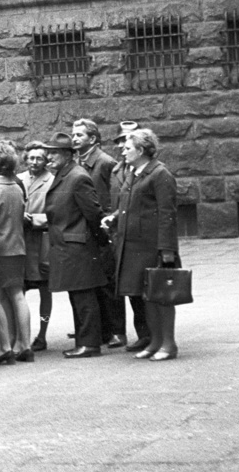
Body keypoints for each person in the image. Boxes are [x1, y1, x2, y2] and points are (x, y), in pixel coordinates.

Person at [109, 128, 181, 361]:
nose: (123, 151)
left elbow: (167, 214)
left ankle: (168, 344)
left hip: (153, 247)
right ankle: (155, 341)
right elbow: (131, 206)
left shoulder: (160, 174)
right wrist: (115, 218)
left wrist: (167, 250)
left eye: (127, 148)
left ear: (141, 150)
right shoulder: (134, 173)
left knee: (161, 295)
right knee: (145, 295)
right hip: (134, 247)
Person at [43, 131, 106, 358]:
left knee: (84, 298)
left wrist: (99, 241)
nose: (48, 158)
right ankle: (84, 341)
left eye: (53, 154)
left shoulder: (77, 177)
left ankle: (89, 343)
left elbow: (94, 213)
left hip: (78, 247)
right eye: (47, 153)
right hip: (69, 246)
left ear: (67, 155)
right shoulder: (65, 174)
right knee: (78, 297)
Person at [73, 117, 126, 349]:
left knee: (109, 281)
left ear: (93, 139)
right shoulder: (79, 162)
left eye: (79, 135)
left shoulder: (105, 162)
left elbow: (115, 194)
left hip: (104, 227)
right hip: (88, 228)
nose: (75, 138)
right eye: (74, 135)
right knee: (95, 280)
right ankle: (103, 329)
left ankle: (118, 331)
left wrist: (109, 221)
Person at [0, 141, 33, 362]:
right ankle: (24, 344)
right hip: (17, 246)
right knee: (18, 295)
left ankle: (8, 345)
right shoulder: (17, 188)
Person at [110, 120, 150, 352]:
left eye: (128, 140)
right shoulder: (116, 169)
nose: (123, 145)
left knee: (140, 288)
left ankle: (146, 333)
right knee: (125, 286)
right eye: (120, 141)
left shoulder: (145, 170)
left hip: (137, 236)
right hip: (119, 235)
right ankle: (127, 332)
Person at [18, 140, 55, 351]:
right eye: (31, 157)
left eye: (39, 158)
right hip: (22, 241)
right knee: (19, 290)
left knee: (44, 290)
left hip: (42, 242)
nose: (34, 162)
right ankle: (22, 336)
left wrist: (34, 219)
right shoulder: (19, 179)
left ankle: (42, 334)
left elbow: (57, 214)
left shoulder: (52, 181)